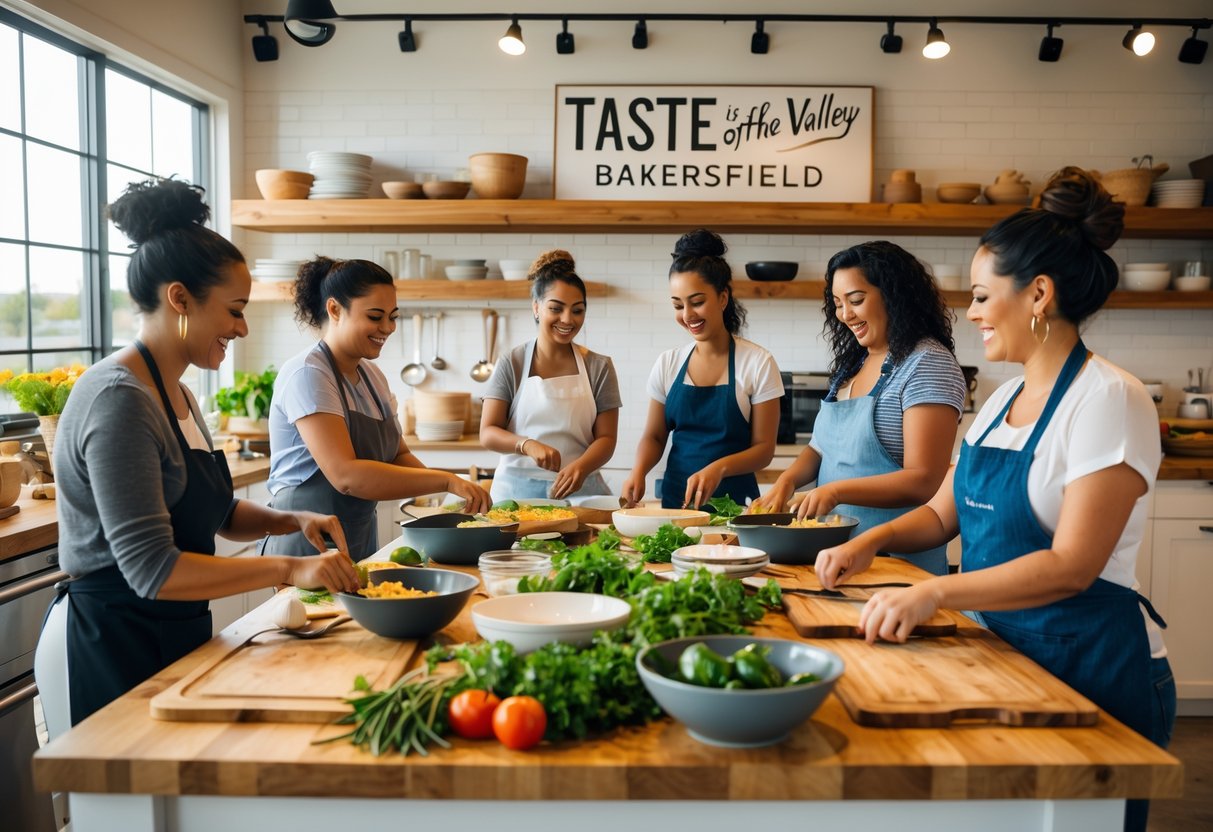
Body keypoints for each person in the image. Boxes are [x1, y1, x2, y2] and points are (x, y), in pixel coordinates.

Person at [815, 168, 1175, 832]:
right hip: (999, 657)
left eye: (982, 295)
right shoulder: (1000, 401)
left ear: (1037, 293)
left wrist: (934, 594)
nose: (972, 311)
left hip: (1090, 666)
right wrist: (867, 540)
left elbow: (1071, 564)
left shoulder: (1108, 398)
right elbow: (939, 513)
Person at [35, 179, 360, 727]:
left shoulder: (178, 391)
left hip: (173, 631)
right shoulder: (120, 399)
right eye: (234, 310)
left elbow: (216, 511)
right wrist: (290, 568)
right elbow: (152, 570)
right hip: (112, 640)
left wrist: (291, 518)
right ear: (179, 298)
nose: (242, 327)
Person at [750, 241, 966, 576]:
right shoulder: (854, 365)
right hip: (836, 557)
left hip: (896, 567)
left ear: (895, 295)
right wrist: (787, 481)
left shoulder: (928, 364)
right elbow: (822, 448)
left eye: (856, 300)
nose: (845, 314)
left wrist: (836, 492)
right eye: (837, 304)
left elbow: (925, 479)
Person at [263, 257, 490, 558]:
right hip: (305, 546)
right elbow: (345, 476)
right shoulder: (309, 374)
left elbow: (399, 456)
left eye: (393, 317)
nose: (387, 327)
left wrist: (450, 495)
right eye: (375, 316)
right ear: (334, 310)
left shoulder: (372, 377)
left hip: (358, 539)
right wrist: (447, 480)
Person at [623, 229, 783, 509]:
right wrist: (638, 471)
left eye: (697, 302)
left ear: (722, 298)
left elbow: (763, 450)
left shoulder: (757, 362)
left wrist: (718, 468)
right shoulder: (668, 363)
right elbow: (655, 436)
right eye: (678, 305)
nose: (687, 315)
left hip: (735, 510)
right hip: (677, 508)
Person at [479, 250, 621, 501]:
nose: (567, 319)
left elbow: (607, 438)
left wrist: (581, 466)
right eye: (556, 308)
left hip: (582, 490)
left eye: (577, 310)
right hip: (516, 493)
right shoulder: (512, 363)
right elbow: (488, 432)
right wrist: (527, 444)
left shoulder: (599, 366)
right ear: (536, 307)